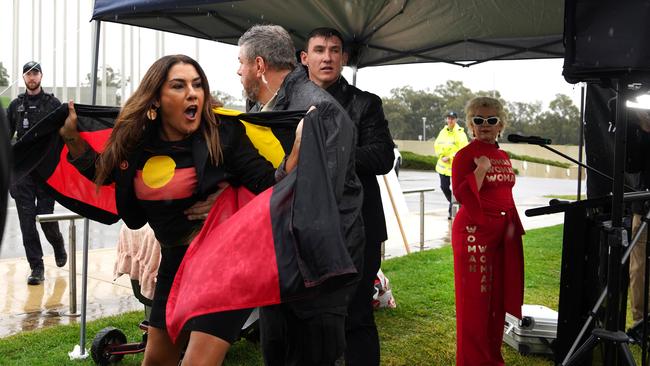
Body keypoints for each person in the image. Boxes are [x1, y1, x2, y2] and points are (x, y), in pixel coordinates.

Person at [59, 54, 299, 366]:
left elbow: (269, 184)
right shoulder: (134, 143)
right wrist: (71, 139)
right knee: (156, 361)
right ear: (156, 99)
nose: (192, 93)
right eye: (179, 85)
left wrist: (291, 153)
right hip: (173, 263)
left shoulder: (223, 135)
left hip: (222, 264)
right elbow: (104, 175)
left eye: (197, 85)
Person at [238, 24, 364, 366]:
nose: (238, 70)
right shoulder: (258, 107)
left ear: (260, 66)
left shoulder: (319, 111)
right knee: (276, 350)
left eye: (241, 62)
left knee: (313, 354)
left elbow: (321, 197)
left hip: (317, 266)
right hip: (278, 258)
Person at [300, 27, 394, 366]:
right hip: (305, 224)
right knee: (309, 316)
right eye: (320, 50)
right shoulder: (288, 101)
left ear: (344, 57)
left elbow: (382, 157)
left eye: (335, 50)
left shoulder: (365, 103)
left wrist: (324, 154)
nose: (327, 57)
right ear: (304, 57)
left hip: (360, 224)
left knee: (356, 315)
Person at [451, 96, 525, 366]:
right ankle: (472, 361)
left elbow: (505, 193)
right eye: (478, 120)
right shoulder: (464, 156)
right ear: (471, 125)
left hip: (502, 235)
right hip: (474, 234)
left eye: (491, 120)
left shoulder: (503, 155)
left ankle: (492, 358)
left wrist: (512, 228)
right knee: (474, 304)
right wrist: (480, 171)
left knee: (496, 302)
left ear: (500, 125)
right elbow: (460, 194)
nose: (484, 125)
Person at [6, 61, 66, 285]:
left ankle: (58, 244)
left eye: (35, 73)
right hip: (23, 174)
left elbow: (66, 134)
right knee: (26, 222)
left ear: (41, 76)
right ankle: (37, 267)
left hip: (46, 172)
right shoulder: (15, 106)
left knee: (46, 217)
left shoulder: (53, 104)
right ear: (23, 78)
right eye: (28, 74)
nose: (32, 77)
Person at [434, 111, 468, 219]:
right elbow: (437, 146)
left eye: (452, 118)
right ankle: (453, 204)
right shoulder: (442, 132)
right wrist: (441, 156)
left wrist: (451, 157)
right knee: (444, 187)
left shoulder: (460, 133)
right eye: (448, 118)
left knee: (456, 191)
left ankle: (452, 211)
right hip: (443, 167)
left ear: (456, 120)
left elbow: (463, 149)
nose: (450, 120)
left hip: (455, 167)